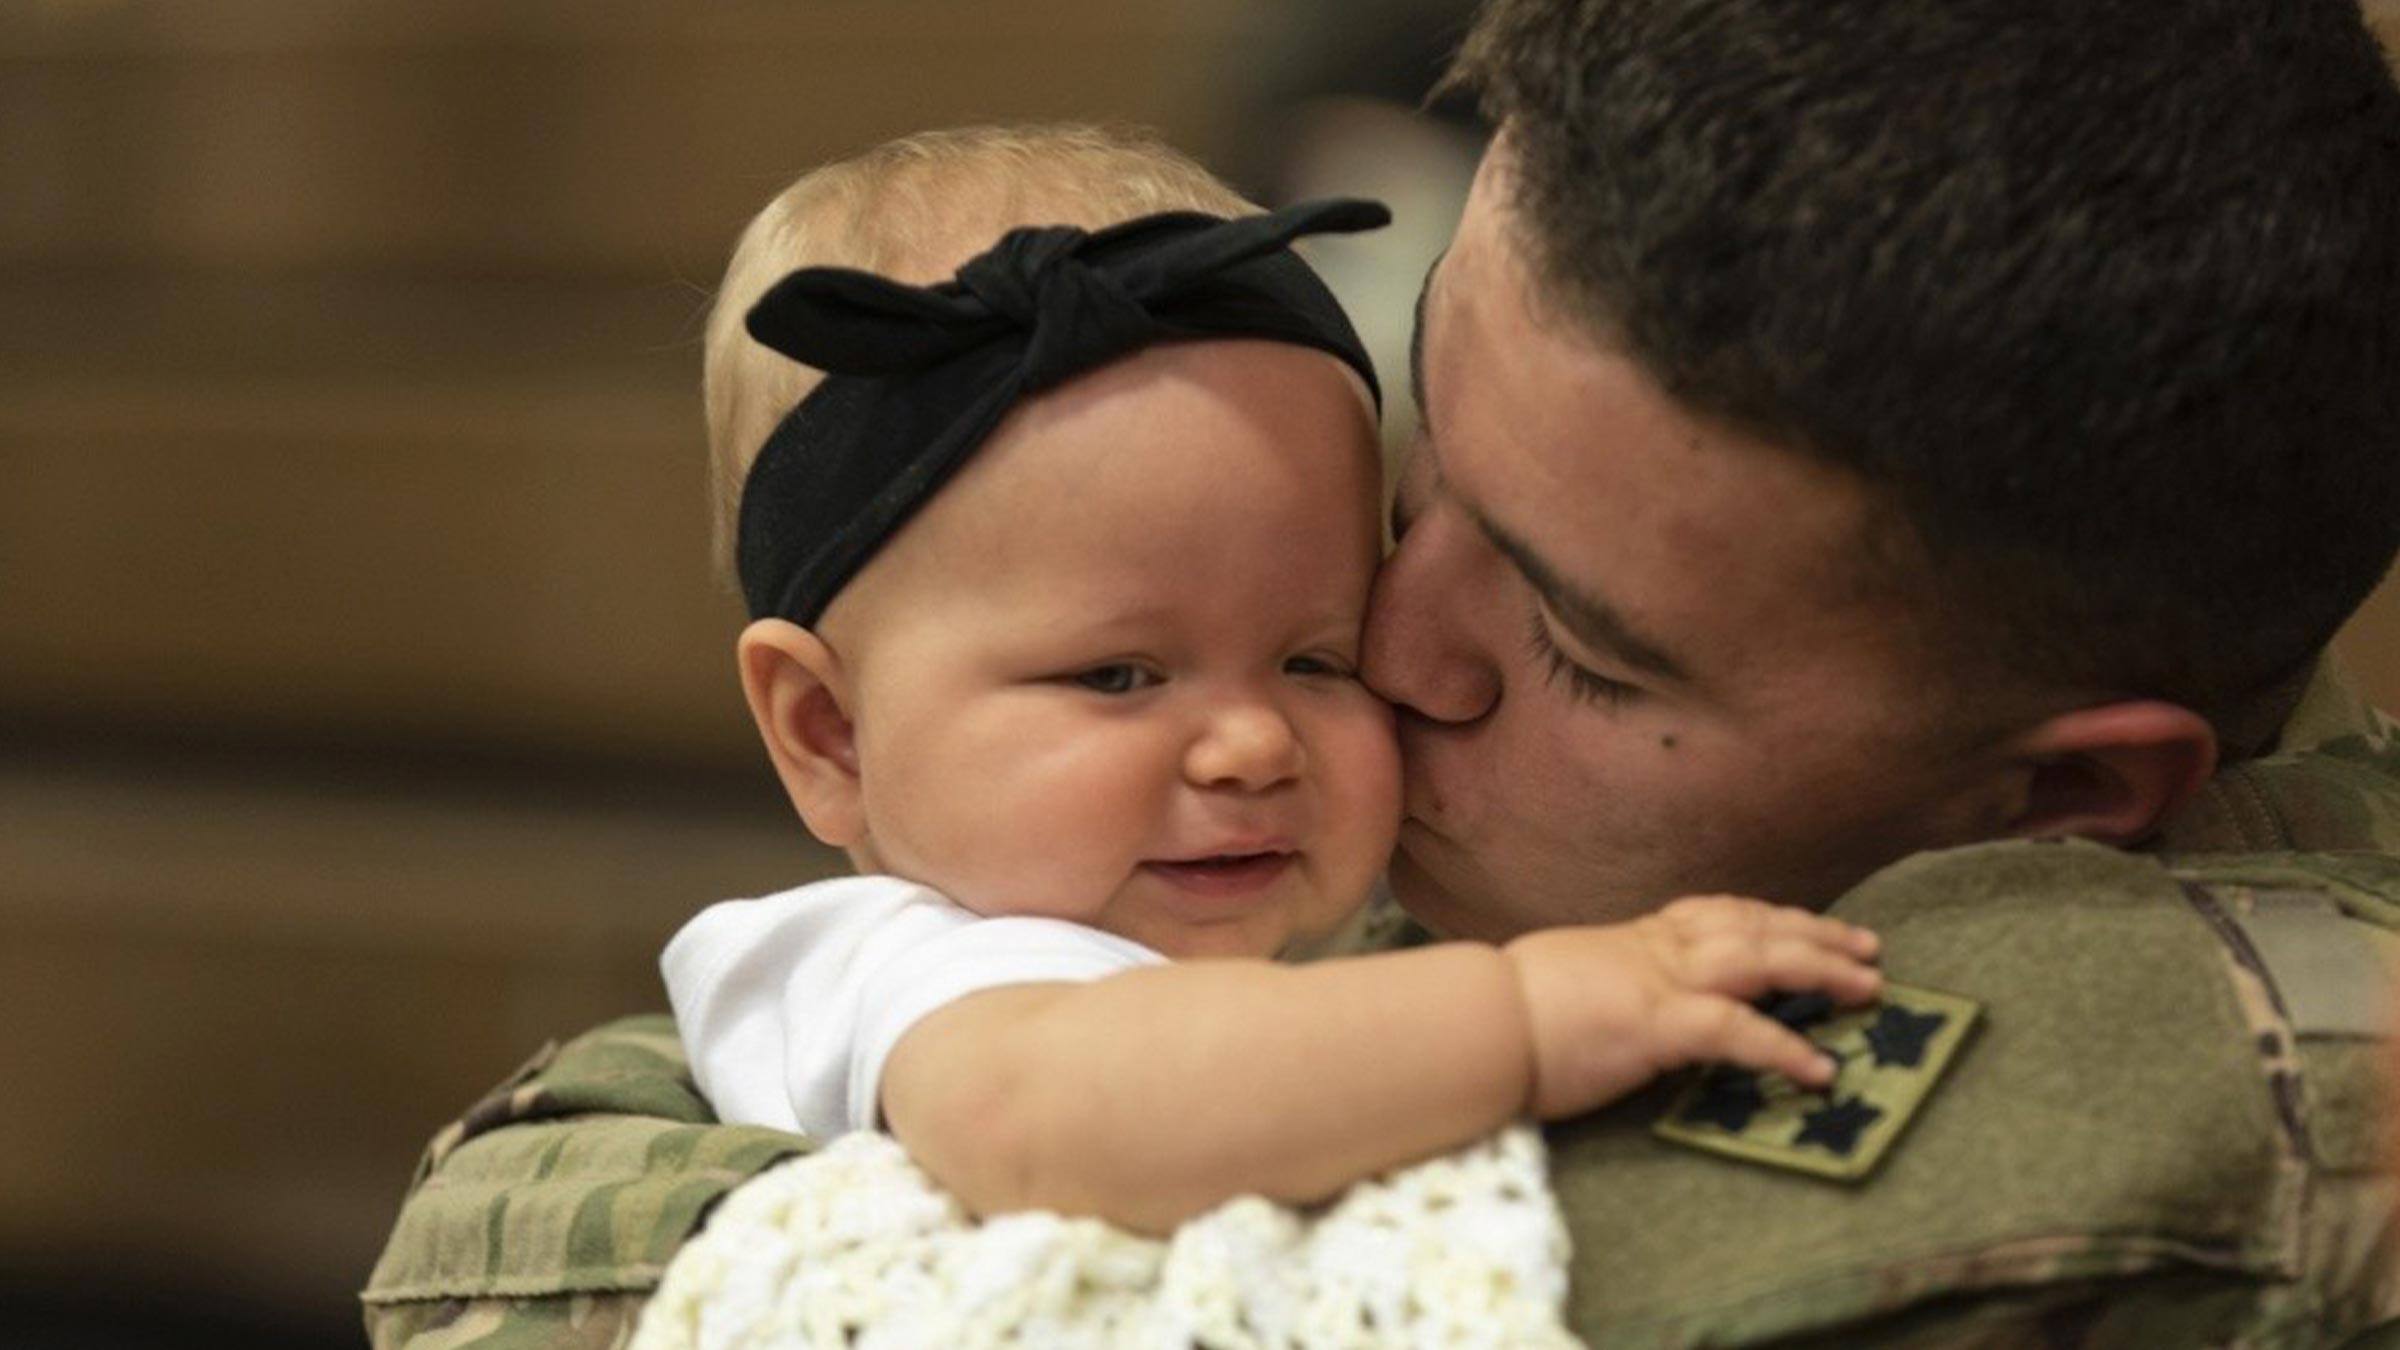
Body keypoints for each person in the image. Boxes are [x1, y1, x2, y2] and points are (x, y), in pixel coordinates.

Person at [362, 1, 2400, 1345]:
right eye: (1422, 470)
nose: (1374, 669)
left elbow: (499, 1266)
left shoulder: (2148, 1101)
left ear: (2059, 797)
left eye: (1582, 649)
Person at [665, 124, 1879, 1232]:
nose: (1253, 743)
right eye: (1119, 675)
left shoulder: (1216, 949)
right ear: (831, 733)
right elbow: (1062, 1116)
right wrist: (1531, 1018)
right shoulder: (911, 962)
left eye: (1317, 658)